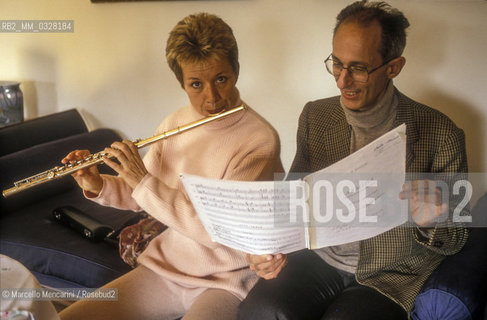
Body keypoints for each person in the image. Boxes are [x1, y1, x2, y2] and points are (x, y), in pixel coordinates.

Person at [239, 1, 468, 319]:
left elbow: (456, 237)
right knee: (260, 311)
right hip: (320, 259)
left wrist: (432, 220)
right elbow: (294, 196)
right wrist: (264, 246)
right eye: (337, 63)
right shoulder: (315, 116)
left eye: (358, 68)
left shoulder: (441, 132)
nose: (342, 80)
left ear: (393, 67)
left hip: (388, 275)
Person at [59, 13, 283, 320]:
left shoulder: (259, 141)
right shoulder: (174, 123)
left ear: (236, 72)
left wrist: (142, 181)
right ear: (181, 82)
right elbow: (143, 193)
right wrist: (97, 184)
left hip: (225, 280)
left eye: (221, 79)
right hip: (166, 269)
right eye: (196, 84)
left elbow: (217, 229)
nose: (213, 97)